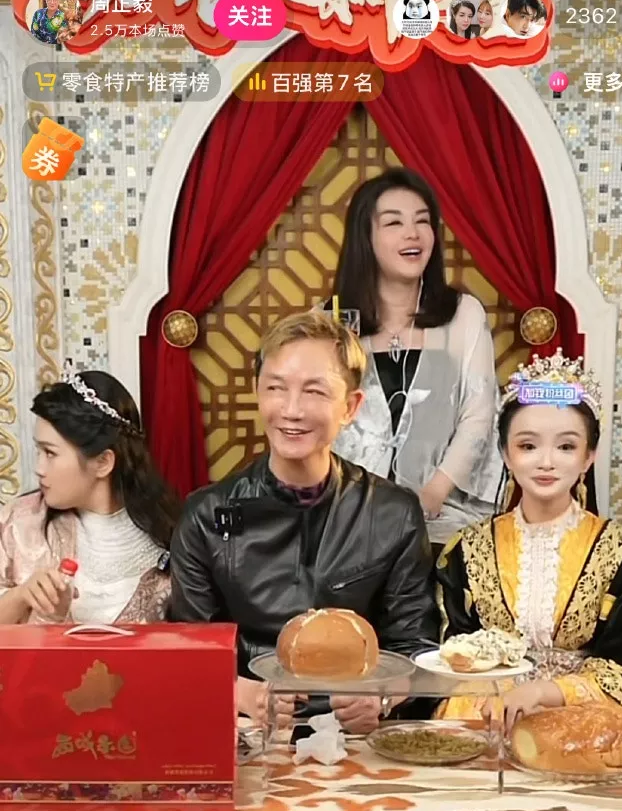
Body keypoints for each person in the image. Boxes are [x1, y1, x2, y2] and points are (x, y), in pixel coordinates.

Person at [170, 309, 439, 735]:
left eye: (314, 392)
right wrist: (241, 692)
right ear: (258, 393)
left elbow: (416, 645)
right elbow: (189, 648)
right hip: (248, 733)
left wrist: (381, 698)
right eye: (276, 388)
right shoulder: (205, 514)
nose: (291, 410)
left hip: (358, 736)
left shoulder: (393, 512)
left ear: (350, 407)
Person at [436, 352, 622, 728]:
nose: (546, 461)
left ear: (589, 456)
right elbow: (447, 656)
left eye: (566, 447)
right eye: (528, 446)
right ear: (505, 454)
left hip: (582, 717)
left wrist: (546, 692)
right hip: (485, 711)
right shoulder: (465, 550)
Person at [330, 168, 502, 555]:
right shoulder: (330, 321)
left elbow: (478, 414)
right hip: (349, 523)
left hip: (444, 519)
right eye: (394, 223)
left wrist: (432, 493)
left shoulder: (463, 314)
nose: (413, 233)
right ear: (365, 237)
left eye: (423, 221)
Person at [0, 369, 178, 625]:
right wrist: (21, 596)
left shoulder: (172, 538)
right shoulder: (18, 525)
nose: (39, 468)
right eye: (39, 451)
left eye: (50, 453)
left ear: (103, 462)